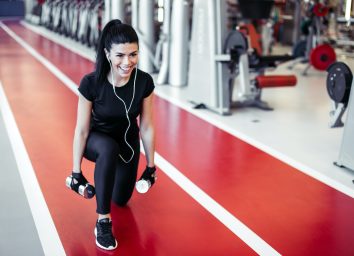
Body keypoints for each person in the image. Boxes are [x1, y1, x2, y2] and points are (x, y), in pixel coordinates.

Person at [68, 19, 156, 250]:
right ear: (107, 54)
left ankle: (114, 181)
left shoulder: (144, 81)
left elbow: (146, 126)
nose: (127, 62)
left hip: (127, 146)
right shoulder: (91, 83)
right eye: (120, 55)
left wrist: (151, 166)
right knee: (108, 148)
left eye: (133, 54)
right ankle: (103, 222)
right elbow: (81, 130)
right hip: (96, 141)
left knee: (121, 199)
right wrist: (76, 172)